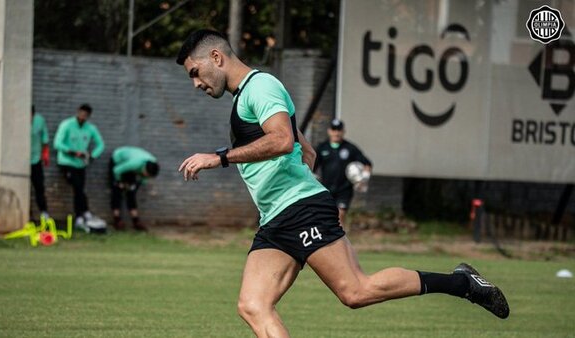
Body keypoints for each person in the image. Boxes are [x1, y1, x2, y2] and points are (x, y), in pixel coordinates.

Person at [175, 30, 509, 337]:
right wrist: (304, 167)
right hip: (277, 217)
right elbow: (300, 145)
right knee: (253, 305)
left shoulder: (260, 87)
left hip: (299, 210)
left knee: (355, 291)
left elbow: (280, 139)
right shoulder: (246, 95)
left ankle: (462, 284)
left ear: (216, 57)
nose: (196, 84)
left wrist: (218, 157)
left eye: (195, 72)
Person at [53, 103, 106, 232]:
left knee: (80, 189)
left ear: (88, 116)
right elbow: (57, 143)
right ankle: (81, 214)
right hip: (66, 162)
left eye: (86, 115)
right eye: (81, 113)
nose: (83, 116)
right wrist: (72, 152)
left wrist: (92, 156)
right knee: (77, 187)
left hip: (81, 164)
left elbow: (101, 144)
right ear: (78, 112)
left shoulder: (91, 128)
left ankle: (82, 215)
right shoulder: (67, 124)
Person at [314, 118, 372, 228]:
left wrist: (363, 179)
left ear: (343, 131)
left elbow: (367, 164)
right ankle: (327, 242)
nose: (336, 133)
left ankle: (340, 242)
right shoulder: (322, 148)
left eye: (339, 130)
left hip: (344, 190)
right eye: (334, 129)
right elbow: (312, 166)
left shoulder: (350, 148)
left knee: (340, 216)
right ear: (329, 131)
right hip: (326, 189)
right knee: (325, 217)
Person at [109, 146, 160, 231]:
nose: (146, 177)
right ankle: (116, 220)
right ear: (144, 170)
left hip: (133, 164)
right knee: (117, 191)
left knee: (131, 192)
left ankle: (136, 221)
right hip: (118, 161)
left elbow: (144, 179)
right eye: (146, 175)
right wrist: (119, 182)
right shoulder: (133, 164)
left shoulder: (153, 164)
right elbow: (116, 170)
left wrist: (134, 186)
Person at [30, 105, 51, 220]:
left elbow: (45, 139)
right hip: (21, 161)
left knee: (39, 187)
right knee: (25, 189)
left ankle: (44, 213)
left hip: (36, 159)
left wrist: (45, 154)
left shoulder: (40, 120)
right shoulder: (18, 119)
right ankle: (28, 215)